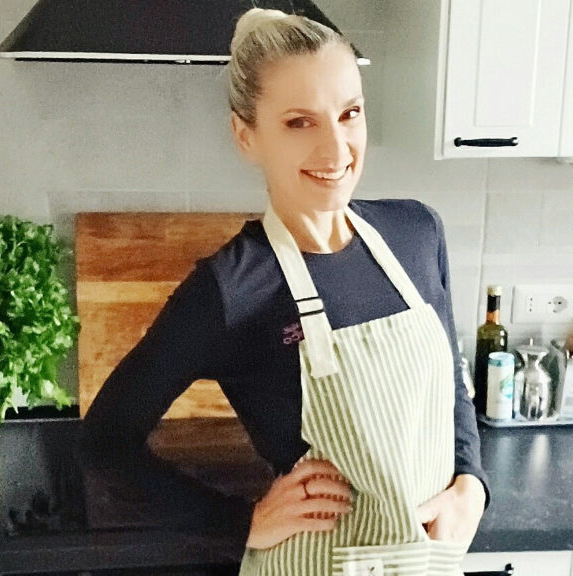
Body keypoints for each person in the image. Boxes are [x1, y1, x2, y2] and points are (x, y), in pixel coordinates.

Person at [81, 7, 490, 575]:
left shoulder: (416, 233)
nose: (336, 150)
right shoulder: (233, 288)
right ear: (246, 136)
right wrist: (240, 522)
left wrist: (472, 483)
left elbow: (453, 383)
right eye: (300, 122)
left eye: (349, 113)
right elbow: (104, 442)